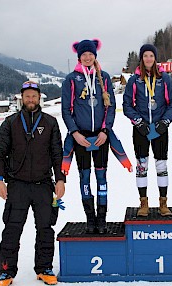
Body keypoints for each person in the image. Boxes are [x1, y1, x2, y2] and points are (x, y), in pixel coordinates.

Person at [0, 81, 66, 286]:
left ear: (39, 98)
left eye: (34, 96)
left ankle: (44, 268)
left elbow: (57, 154)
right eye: (27, 96)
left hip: (44, 185)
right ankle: (6, 270)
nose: (31, 100)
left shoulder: (51, 123)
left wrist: (60, 179)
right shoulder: (10, 123)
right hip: (17, 185)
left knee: (45, 228)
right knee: (12, 228)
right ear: (21, 98)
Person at [61, 39, 116, 234]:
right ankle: (90, 218)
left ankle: (102, 219)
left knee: (101, 177)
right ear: (79, 56)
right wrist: (75, 133)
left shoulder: (105, 77)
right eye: (84, 54)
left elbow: (111, 108)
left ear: (95, 55)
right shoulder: (71, 79)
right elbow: (66, 110)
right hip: (81, 138)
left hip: (100, 137)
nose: (87, 57)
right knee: (85, 177)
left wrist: (105, 131)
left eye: (90, 54)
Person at [123, 44, 172, 217]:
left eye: (151, 56)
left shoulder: (165, 79)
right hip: (141, 129)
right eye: (145, 56)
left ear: (155, 58)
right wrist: (138, 122)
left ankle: (163, 202)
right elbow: (127, 105)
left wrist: (165, 121)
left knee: (161, 165)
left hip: (160, 128)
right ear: (142, 58)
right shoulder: (134, 80)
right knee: (142, 165)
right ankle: (143, 202)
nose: (148, 59)